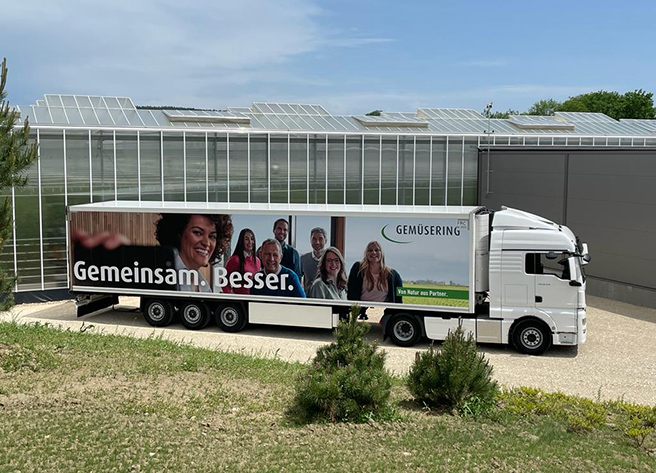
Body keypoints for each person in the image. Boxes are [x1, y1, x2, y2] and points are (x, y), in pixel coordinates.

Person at [154, 213, 233, 292]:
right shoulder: (159, 277)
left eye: (212, 236)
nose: (206, 243)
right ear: (178, 234)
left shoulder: (204, 286)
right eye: (197, 232)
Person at [224, 228, 261, 294]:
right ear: (241, 241)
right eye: (246, 239)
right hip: (240, 300)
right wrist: (231, 297)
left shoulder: (257, 261)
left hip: (254, 299)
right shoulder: (235, 260)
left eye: (252, 239)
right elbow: (224, 282)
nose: (250, 242)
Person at [300, 227, 327, 293]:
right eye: (314, 239)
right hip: (309, 299)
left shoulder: (330, 260)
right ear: (310, 241)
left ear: (325, 241)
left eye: (320, 239)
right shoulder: (303, 259)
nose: (317, 242)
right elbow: (298, 280)